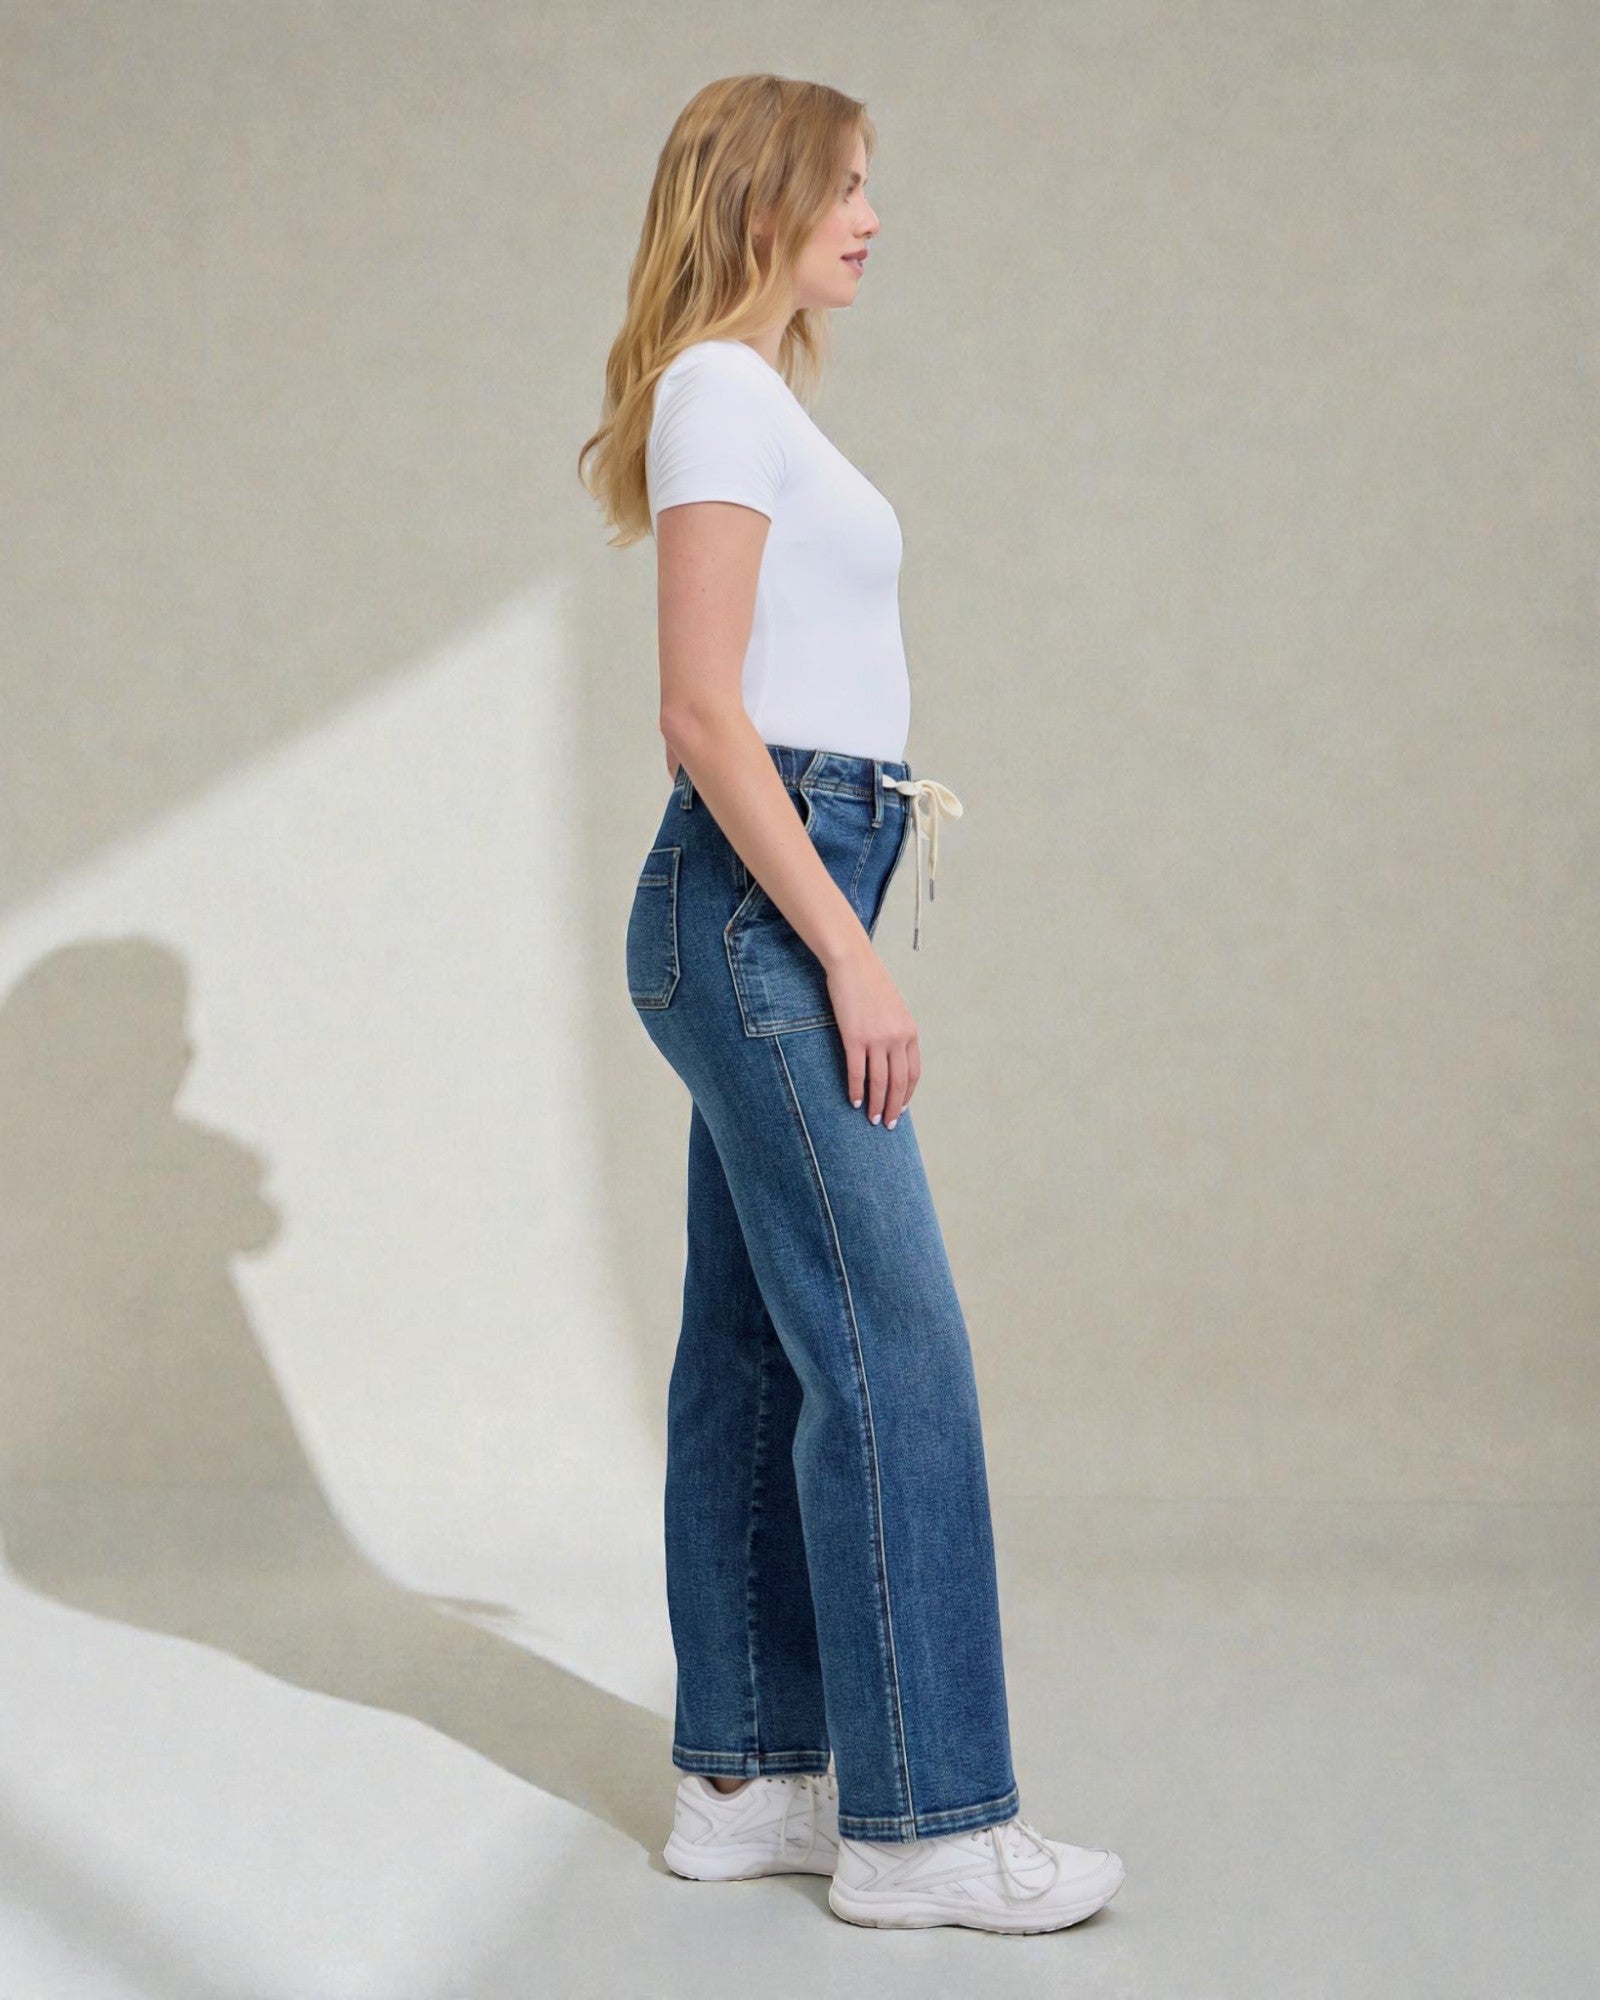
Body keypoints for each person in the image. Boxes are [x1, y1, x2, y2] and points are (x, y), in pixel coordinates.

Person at [579, 73, 1124, 1935]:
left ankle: (748, 1781)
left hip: (767, 890)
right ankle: (927, 1826)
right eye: (849, 186)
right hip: (766, 905)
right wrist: (846, 948)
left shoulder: (740, 391)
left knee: (757, 1349)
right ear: (764, 199)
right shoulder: (723, 392)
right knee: (897, 1351)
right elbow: (700, 709)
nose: (874, 218)